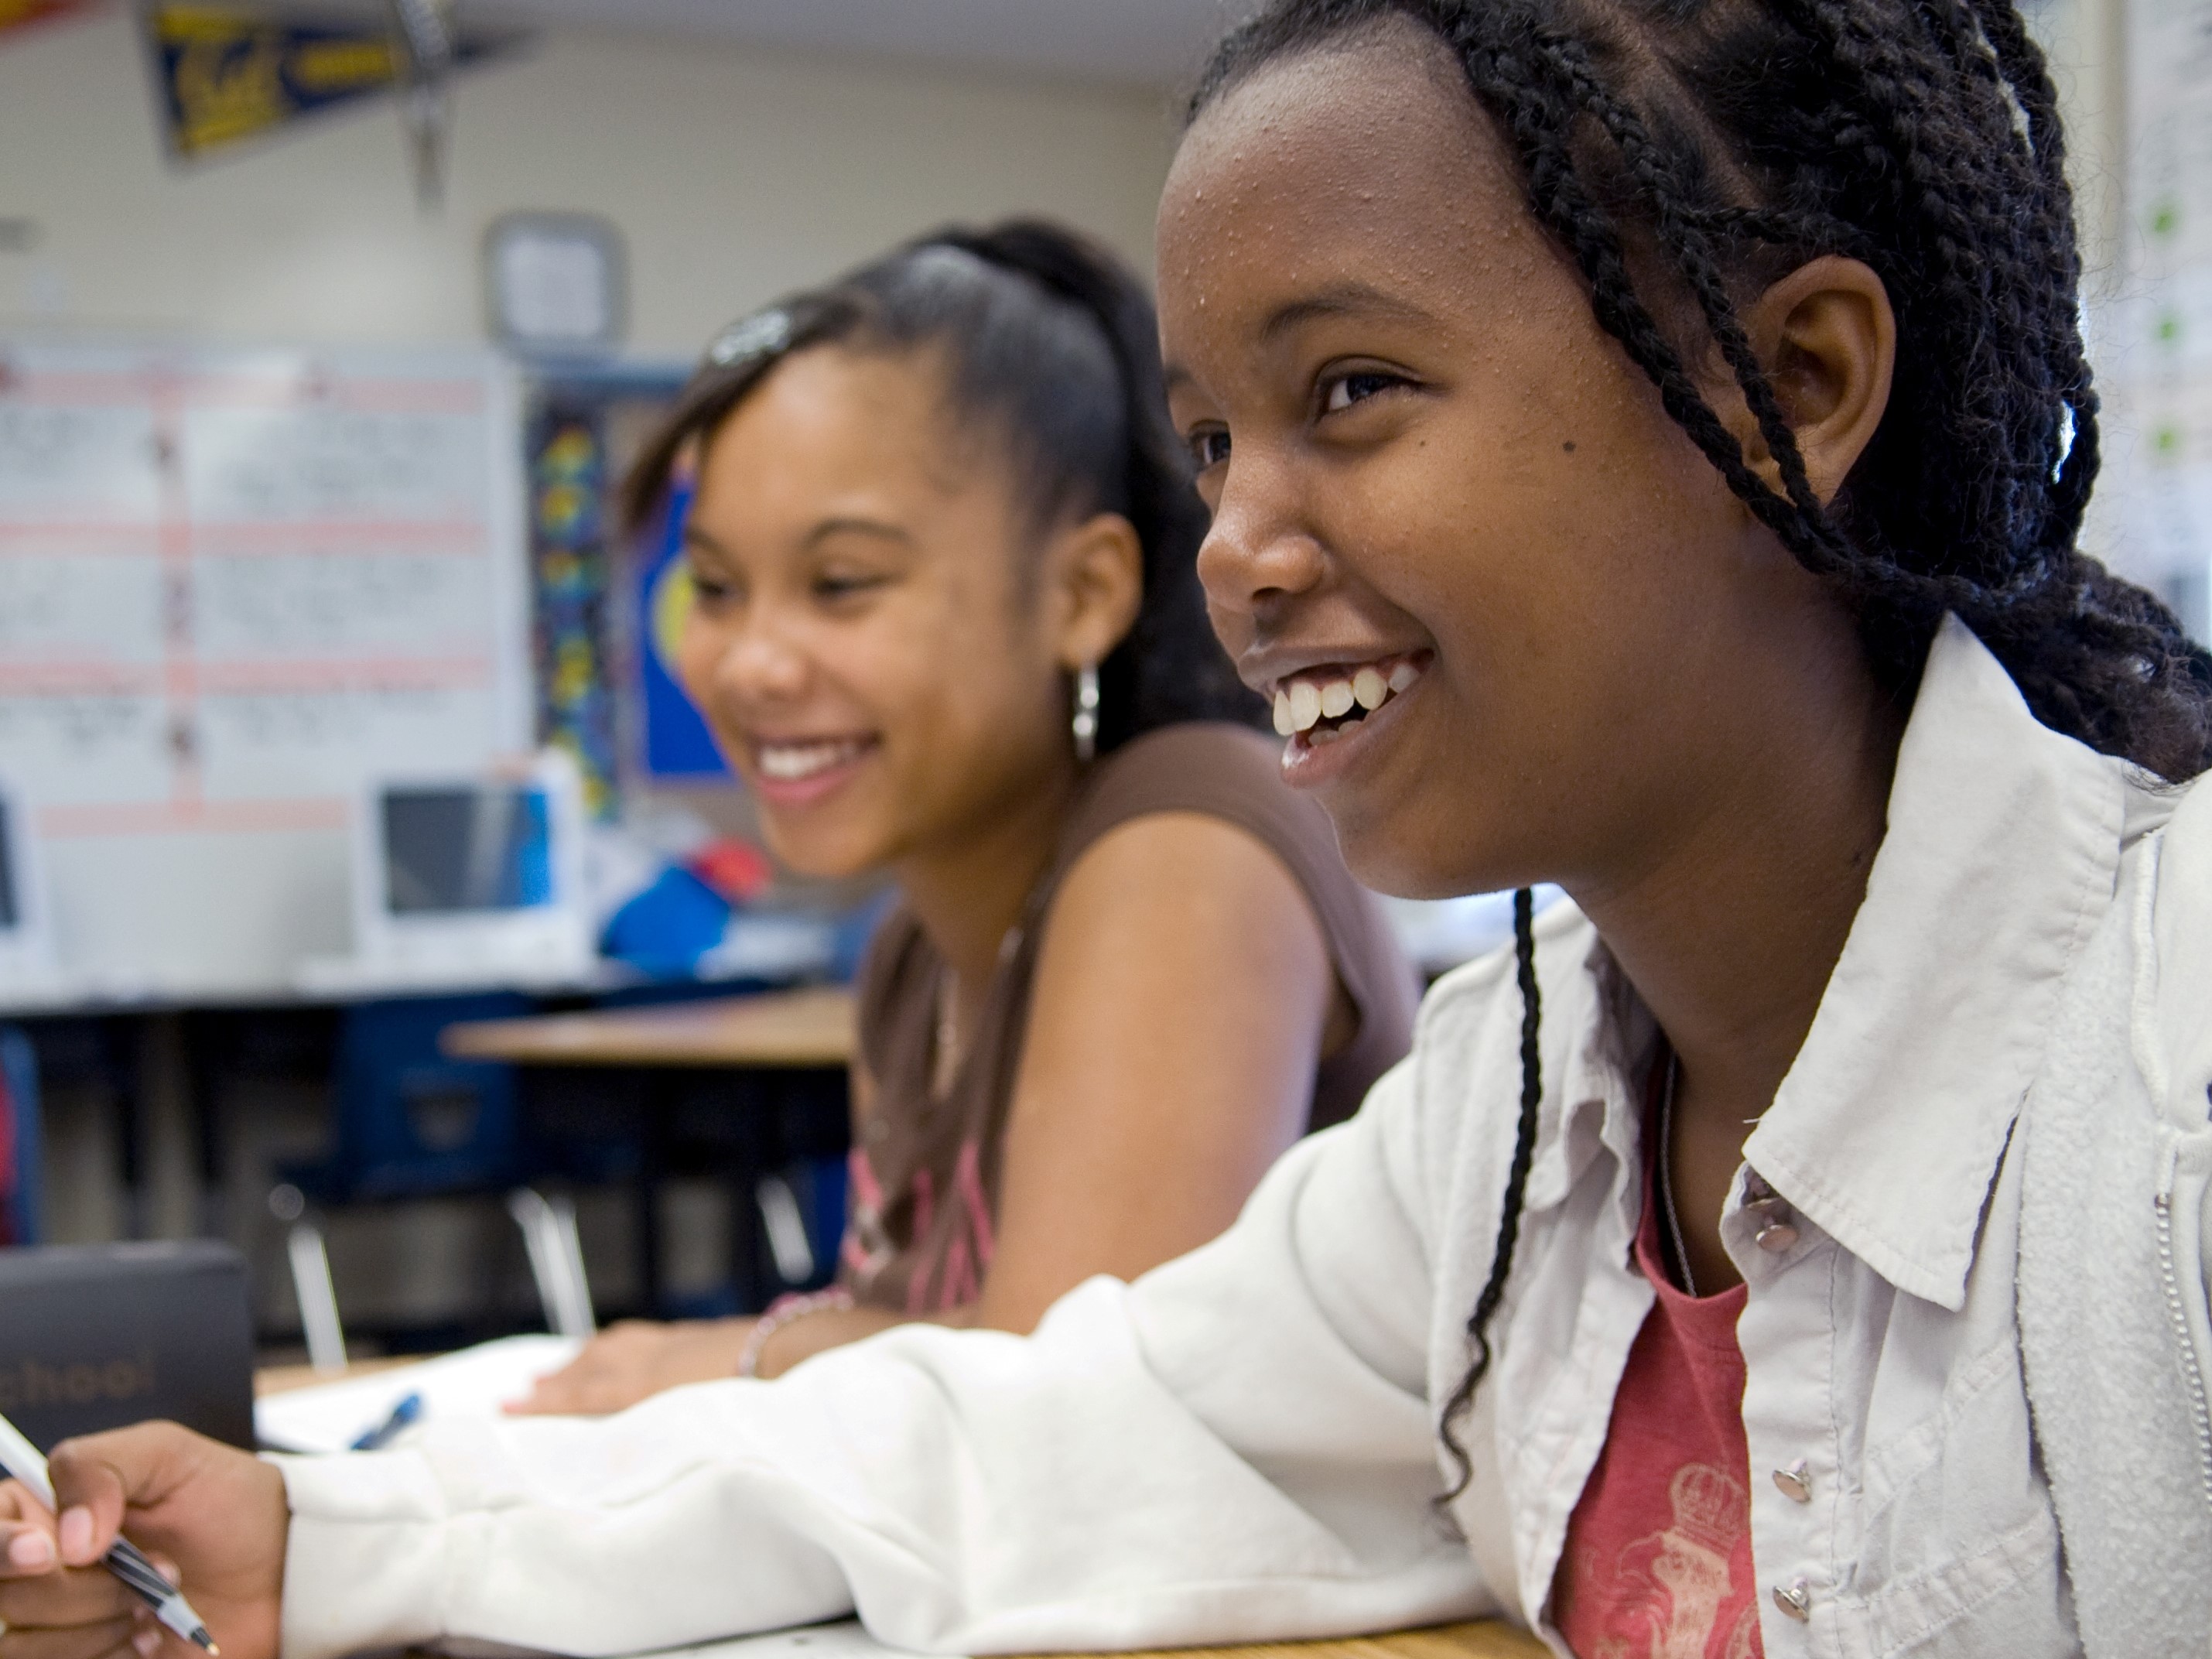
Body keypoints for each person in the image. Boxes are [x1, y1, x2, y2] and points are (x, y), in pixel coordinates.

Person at [4, 2, 2210, 1657]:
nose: (1236, 545)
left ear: (1794, 385)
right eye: (1214, 442)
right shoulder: (1512, 1126)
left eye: (1351, 391)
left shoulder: (2162, 1070)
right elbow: (1044, 1434)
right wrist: (333, 1543)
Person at [514, 221, 1417, 1411]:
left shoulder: (1190, 835)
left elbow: (1073, 1398)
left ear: (1083, 593)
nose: (751, 664)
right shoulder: (913, 954)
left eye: (841, 584)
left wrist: (724, 1359)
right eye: (718, 589)